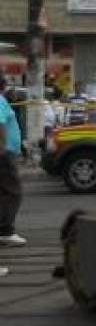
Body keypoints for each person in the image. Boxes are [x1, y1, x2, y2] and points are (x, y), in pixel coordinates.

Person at [0, 77, 26, 278]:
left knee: (6, 193)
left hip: (7, 152)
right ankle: (5, 230)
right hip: (3, 154)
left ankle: (5, 229)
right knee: (14, 192)